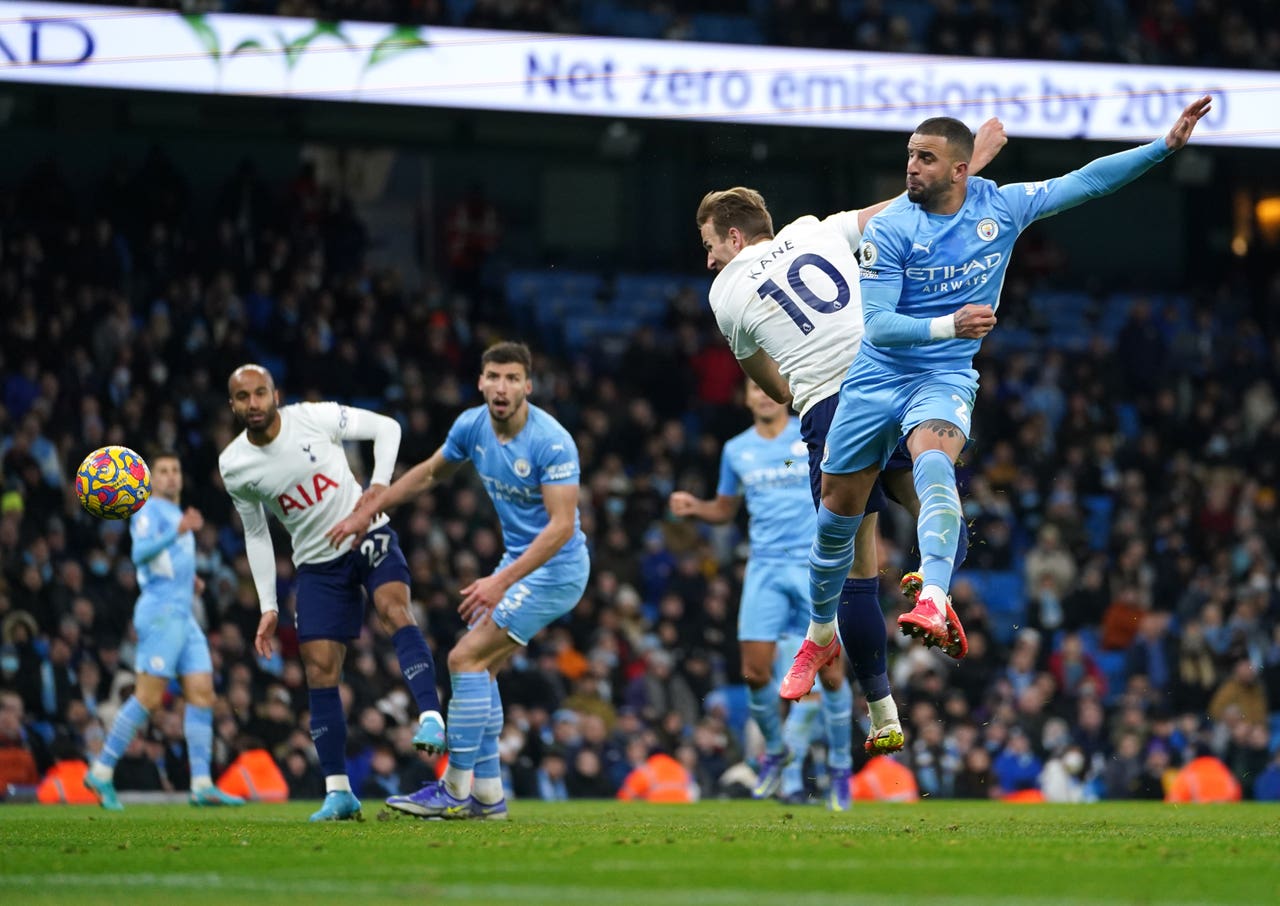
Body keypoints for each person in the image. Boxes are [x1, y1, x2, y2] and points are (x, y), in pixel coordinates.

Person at [805, 96, 1212, 671]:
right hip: (876, 378)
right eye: (909, 157)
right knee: (833, 516)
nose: (911, 168)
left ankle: (934, 598)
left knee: (936, 465)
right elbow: (878, 325)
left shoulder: (1002, 207)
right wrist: (951, 323)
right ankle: (819, 632)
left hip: (943, 376)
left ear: (959, 170)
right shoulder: (892, 228)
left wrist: (1162, 148)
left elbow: (1087, 182)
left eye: (925, 158)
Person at [694, 118, 1005, 753]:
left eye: (710, 245)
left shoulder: (724, 291)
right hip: (893, 373)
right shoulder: (816, 228)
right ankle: (935, 590)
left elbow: (777, 390)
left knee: (855, 563)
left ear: (733, 235)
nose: (708, 259)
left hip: (837, 409)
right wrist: (979, 156)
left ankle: (883, 713)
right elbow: (904, 203)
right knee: (935, 501)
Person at [328, 341, 590, 820]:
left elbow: (560, 527)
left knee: (464, 658)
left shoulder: (552, 441)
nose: (502, 387)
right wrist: (368, 510)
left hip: (557, 569)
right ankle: (488, 797)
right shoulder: (471, 426)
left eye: (513, 378)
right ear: (481, 382)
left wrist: (499, 581)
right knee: (481, 670)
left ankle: (454, 789)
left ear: (528, 386)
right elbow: (430, 474)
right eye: (494, 376)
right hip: (522, 566)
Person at [218, 365, 444, 822]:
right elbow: (257, 534)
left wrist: (378, 487)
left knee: (393, 609)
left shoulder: (313, 418)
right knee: (319, 669)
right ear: (234, 405)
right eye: (244, 397)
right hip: (317, 564)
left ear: (275, 394)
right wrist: (268, 605)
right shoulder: (234, 464)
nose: (254, 403)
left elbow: (387, 428)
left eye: (261, 393)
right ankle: (339, 792)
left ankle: (432, 718)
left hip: (366, 534)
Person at [669, 379, 857, 810]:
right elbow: (725, 508)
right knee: (754, 673)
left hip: (813, 564)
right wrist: (697, 508)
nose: (763, 395)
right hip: (765, 568)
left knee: (830, 673)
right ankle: (776, 751)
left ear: (785, 392)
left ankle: (841, 768)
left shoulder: (810, 432)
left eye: (768, 387)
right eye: (753, 388)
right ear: (746, 397)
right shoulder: (736, 449)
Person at [84, 452, 245, 810]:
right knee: (149, 697)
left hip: (184, 614)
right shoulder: (148, 510)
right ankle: (102, 770)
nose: (171, 477)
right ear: (151, 479)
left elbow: (166, 564)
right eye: (163, 472)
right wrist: (179, 531)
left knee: (202, 693)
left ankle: (202, 784)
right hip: (159, 613)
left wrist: (193, 581)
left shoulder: (176, 514)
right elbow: (141, 553)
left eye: (175, 471)